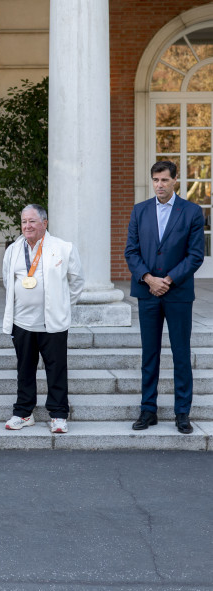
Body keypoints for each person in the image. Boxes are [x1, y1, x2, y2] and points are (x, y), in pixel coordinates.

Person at [125, 161, 205, 434]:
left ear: (174, 181)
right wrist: (149, 279)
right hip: (148, 293)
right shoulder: (140, 211)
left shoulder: (192, 211)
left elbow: (195, 255)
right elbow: (131, 252)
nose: (159, 185)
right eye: (155, 180)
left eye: (164, 180)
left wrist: (168, 280)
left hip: (178, 293)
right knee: (150, 353)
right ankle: (148, 410)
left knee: (181, 353)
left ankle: (182, 413)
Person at [2, 204, 84, 434]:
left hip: (53, 323)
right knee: (24, 369)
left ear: (44, 223)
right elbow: (9, 281)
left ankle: (58, 415)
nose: (27, 226)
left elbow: (77, 282)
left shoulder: (63, 248)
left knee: (56, 369)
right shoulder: (13, 250)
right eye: (24, 221)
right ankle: (23, 413)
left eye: (32, 221)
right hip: (22, 323)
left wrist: (63, 306)